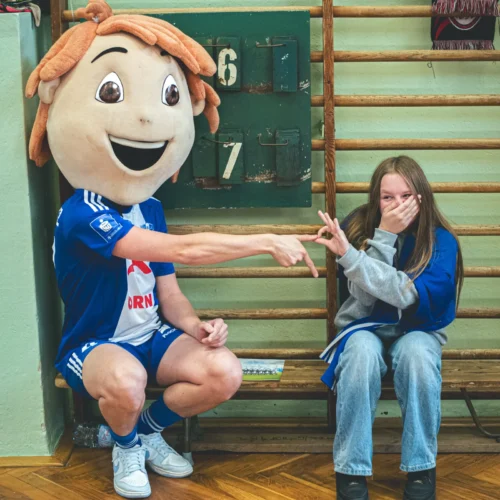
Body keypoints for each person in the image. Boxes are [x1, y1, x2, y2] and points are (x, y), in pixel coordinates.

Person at [25, 2, 318, 497]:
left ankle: (144, 432)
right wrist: (264, 241)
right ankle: (124, 447)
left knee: (223, 372)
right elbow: (187, 251)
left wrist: (196, 326)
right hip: (95, 347)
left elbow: (170, 293)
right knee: (126, 380)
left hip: (150, 337)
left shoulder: (150, 207)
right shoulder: (82, 212)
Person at [314, 156, 464, 500]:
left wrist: (353, 259)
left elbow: (407, 294)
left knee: (418, 355)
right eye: (387, 197)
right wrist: (383, 238)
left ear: (421, 197)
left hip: (418, 331)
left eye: (406, 196)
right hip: (364, 329)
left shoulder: (442, 242)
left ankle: (421, 468)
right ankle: (350, 472)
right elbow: (364, 299)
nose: (397, 205)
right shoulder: (356, 229)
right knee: (360, 353)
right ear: (375, 199)